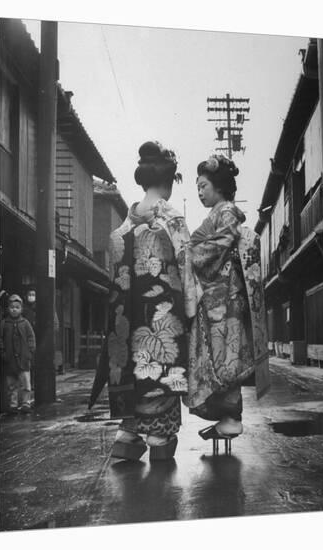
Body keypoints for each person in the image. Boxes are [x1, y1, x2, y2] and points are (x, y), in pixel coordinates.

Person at [90, 141, 199, 461]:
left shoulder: (125, 224)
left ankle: (128, 434)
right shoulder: (173, 219)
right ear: (169, 179)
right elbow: (188, 273)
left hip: (128, 319)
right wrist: (192, 316)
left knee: (131, 371)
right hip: (163, 318)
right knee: (161, 370)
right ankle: (158, 437)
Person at [185, 154, 270, 441]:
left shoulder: (227, 213)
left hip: (225, 297)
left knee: (225, 357)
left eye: (203, 185)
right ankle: (227, 416)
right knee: (219, 356)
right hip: (216, 297)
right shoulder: (219, 213)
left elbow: (218, 246)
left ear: (218, 186)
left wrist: (191, 254)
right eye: (197, 187)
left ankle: (231, 417)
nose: (199, 192)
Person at [0, 294, 36, 414]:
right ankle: (13, 404)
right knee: (12, 385)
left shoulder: (25, 323)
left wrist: (30, 352)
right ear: (8, 309)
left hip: (23, 359)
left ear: (21, 309)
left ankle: (26, 403)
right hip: (9, 360)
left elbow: (31, 338)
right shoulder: (4, 324)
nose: (14, 309)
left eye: (17, 307)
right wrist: (2, 352)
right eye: (12, 307)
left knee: (26, 383)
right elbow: (0, 339)